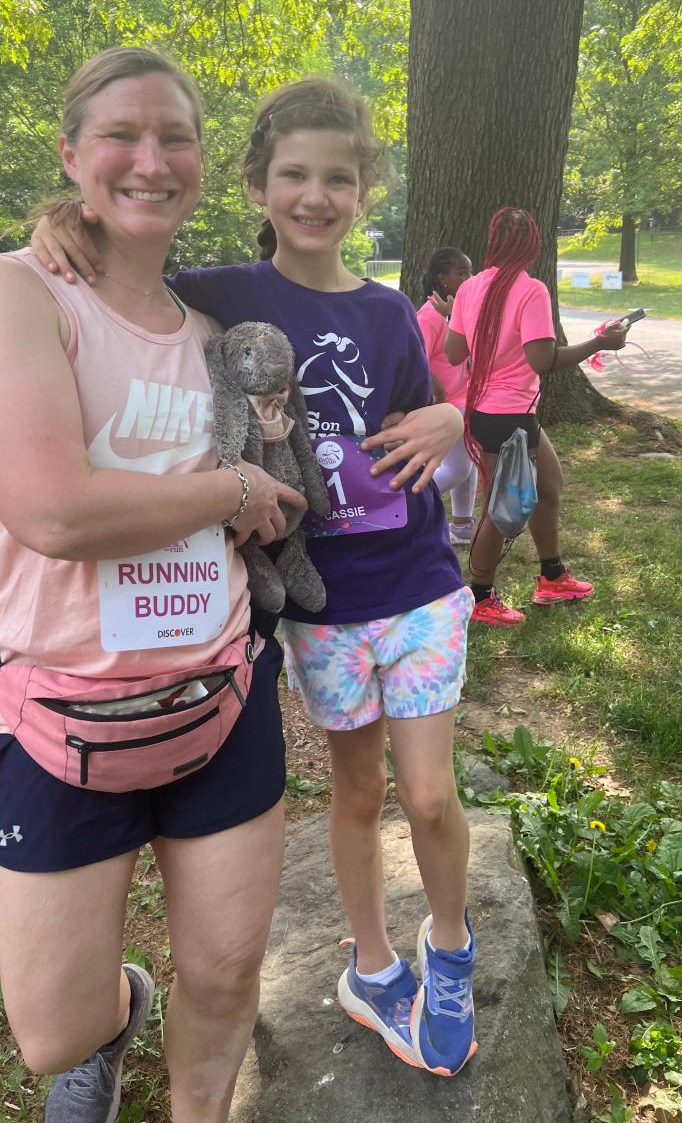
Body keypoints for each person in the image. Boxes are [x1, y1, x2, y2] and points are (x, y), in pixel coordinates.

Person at [32, 78, 480, 1077]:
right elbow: (117, 265)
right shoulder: (225, 292)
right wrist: (66, 220)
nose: (315, 195)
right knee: (358, 789)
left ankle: (449, 945)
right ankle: (370, 966)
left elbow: (423, 429)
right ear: (258, 185)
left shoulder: (390, 313)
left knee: (433, 792)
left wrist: (456, 420)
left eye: (337, 177)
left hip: (416, 585)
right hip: (322, 606)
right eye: (294, 175)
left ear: (367, 190)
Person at [0, 47, 309, 1123]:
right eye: (121, 135)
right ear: (70, 155)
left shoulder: (211, 334)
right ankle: (118, 1010)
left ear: (203, 161)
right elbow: (55, 511)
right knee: (53, 1028)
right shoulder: (9, 290)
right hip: (55, 711)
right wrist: (230, 485)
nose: (151, 159)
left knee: (231, 972)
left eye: (176, 137)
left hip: (223, 692)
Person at [446, 206, 627, 627]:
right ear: (533, 245)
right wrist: (600, 342)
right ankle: (480, 595)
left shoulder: (471, 288)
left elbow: (455, 352)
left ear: (492, 242)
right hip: (508, 415)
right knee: (499, 506)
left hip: (495, 412)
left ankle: (552, 576)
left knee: (549, 484)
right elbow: (542, 360)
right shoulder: (531, 290)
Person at [415, 248, 478, 545]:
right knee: (458, 467)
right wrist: (436, 388)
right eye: (461, 273)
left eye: (470, 271)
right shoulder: (428, 316)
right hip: (447, 407)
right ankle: (406, 508)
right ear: (442, 279)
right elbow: (415, 359)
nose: (470, 278)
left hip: (466, 399)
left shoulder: (456, 314)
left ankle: (462, 525)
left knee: (468, 465)